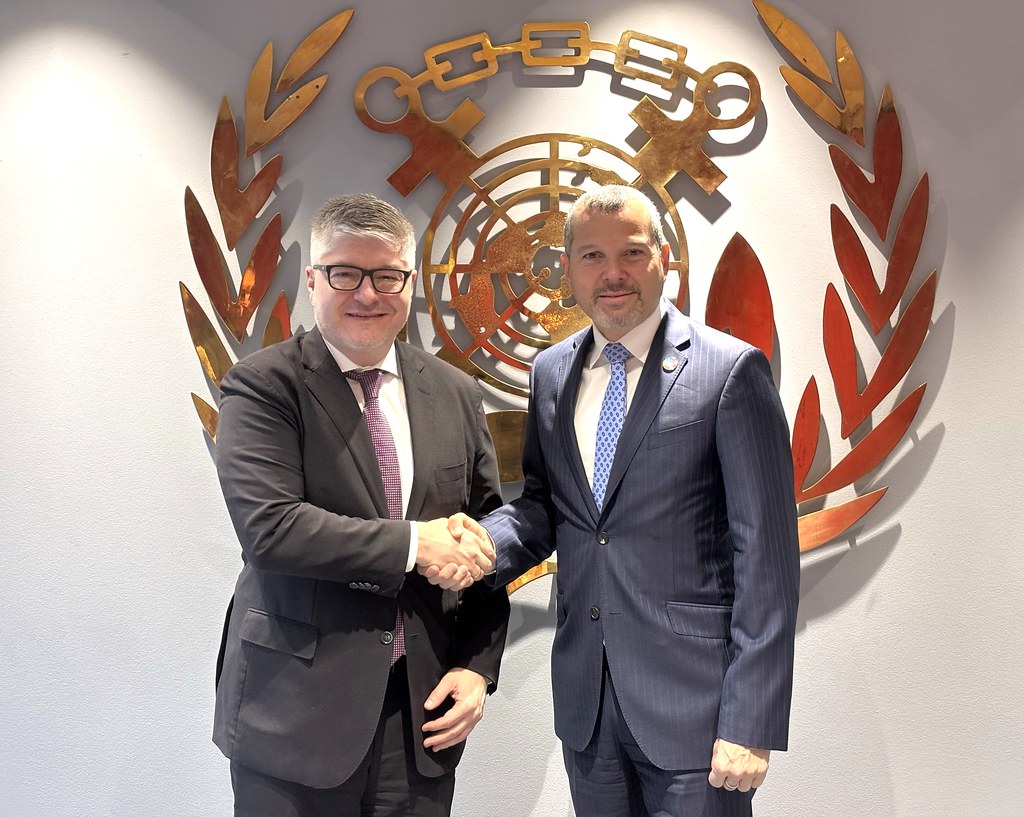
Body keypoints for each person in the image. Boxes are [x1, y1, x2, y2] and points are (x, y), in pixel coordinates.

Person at [428, 185, 800, 816]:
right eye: (593, 256)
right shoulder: (551, 372)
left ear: (663, 259)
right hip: (588, 703)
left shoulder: (730, 370)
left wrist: (751, 720)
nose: (613, 273)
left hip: (696, 708)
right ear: (568, 270)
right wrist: (484, 544)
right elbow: (547, 506)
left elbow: (767, 556)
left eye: (631, 252)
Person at [213, 193, 509, 817]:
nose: (367, 294)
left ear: (410, 283)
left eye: (386, 276)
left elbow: (483, 541)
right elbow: (272, 529)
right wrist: (414, 544)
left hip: (421, 718)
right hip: (294, 713)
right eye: (345, 273)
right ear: (313, 280)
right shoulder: (263, 385)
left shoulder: (456, 393)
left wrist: (477, 666)